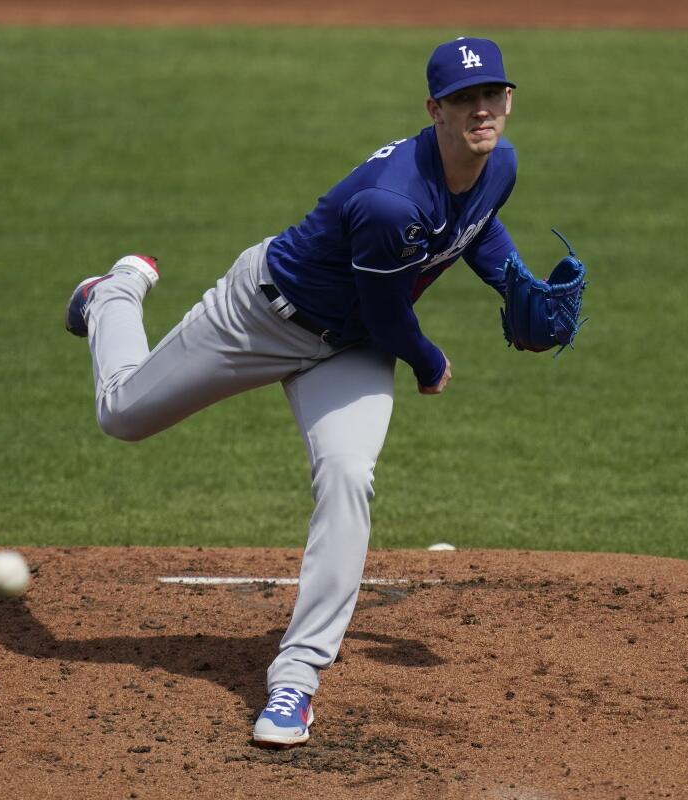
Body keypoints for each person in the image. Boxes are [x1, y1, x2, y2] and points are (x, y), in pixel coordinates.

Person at [65, 36, 522, 747]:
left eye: (492, 95)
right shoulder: (388, 199)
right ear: (434, 109)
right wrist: (430, 363)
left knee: (348, 475)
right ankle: (114, 296)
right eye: (464, 100)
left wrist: (515, 280)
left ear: (509, 100)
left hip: (348, 352)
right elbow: (386, 315)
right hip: (259, 318)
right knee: (121, 414)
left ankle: (295, 682)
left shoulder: (501, 165)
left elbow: (476, 227)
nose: (481, 110)